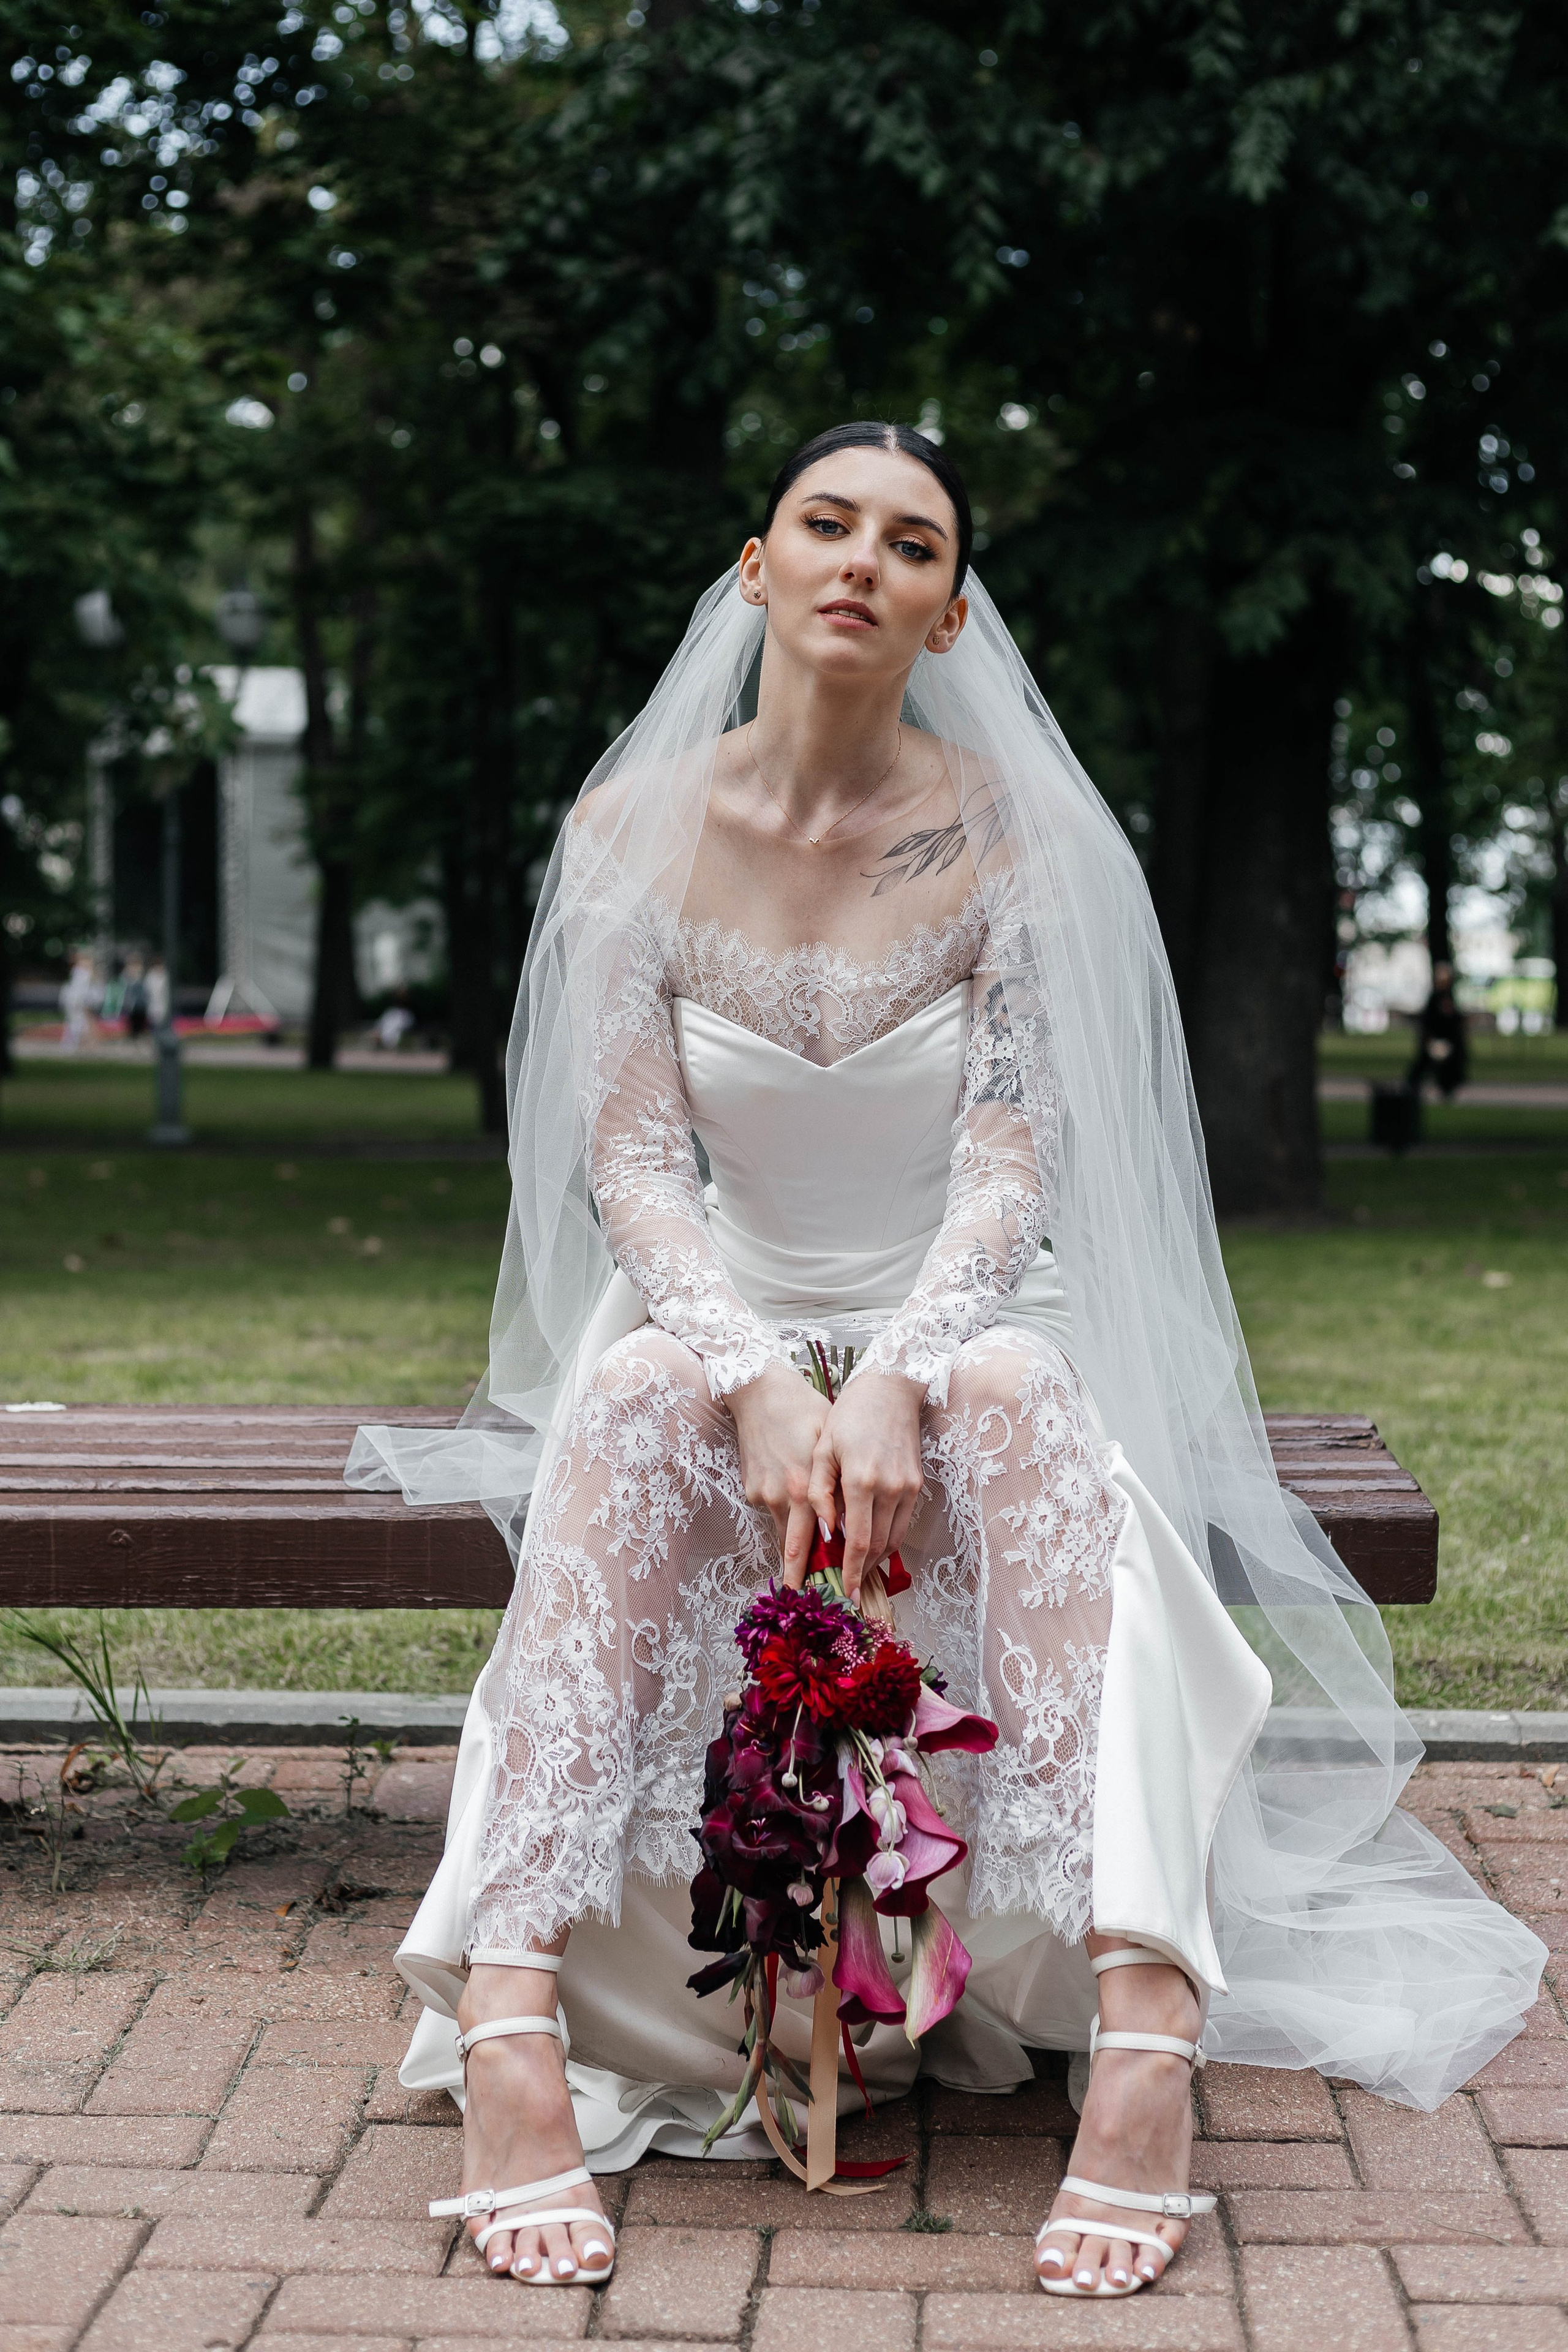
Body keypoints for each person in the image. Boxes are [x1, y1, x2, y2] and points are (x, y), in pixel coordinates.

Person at [351, 424, 1543, 2301]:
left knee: (1006, 1395)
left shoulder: (1013, 838)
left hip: (978, 1299)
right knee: (637, 1394)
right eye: (823, 525)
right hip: (714, 1296)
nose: (859, 561)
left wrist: (897, 1366)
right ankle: (513, 2010)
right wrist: (754, 1365)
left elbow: (1009, 1161)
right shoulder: (626, 834)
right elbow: (638, 1162)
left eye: (908, 544)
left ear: (947, 607)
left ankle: (1141, 2034)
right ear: (754, 567)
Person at [1409, 960, 1469, 1098]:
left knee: (1443, 1065)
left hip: (1446, 1041)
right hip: (1437, 1040)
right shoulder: (1437, 998)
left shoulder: (1447, 997)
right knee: (1427, 1065)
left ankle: (1444, 1087)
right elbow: (1432, 1020)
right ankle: (1415, 1088)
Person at [58, 952, 96, 1051]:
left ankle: (72, 1045)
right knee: (77, 1024)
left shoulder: (76, 972)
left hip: (74, 1001)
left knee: (77, 1024)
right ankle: (70, 1046)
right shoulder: (83, 974)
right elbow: (82, 992)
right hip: (76, 1002)